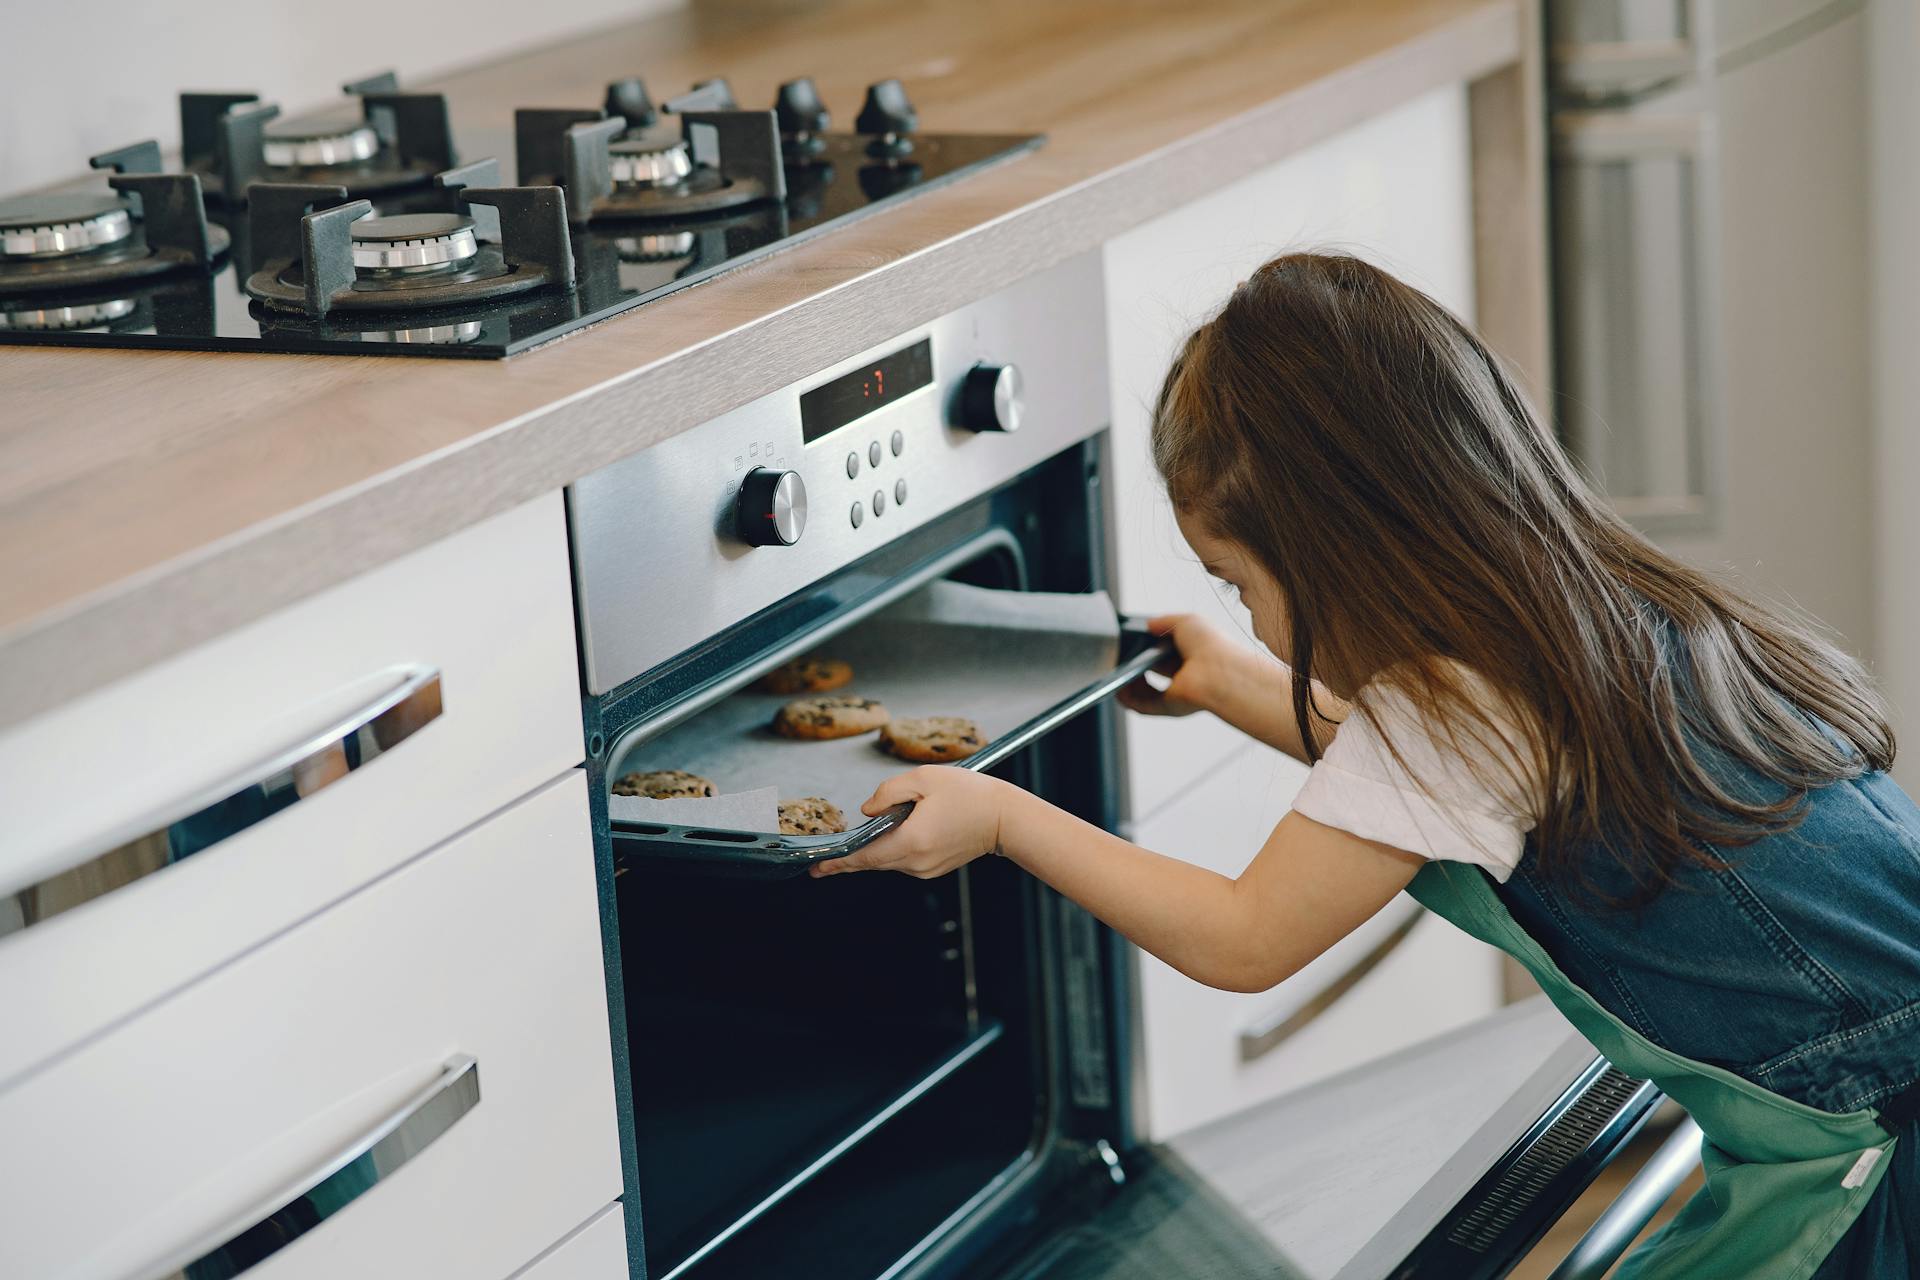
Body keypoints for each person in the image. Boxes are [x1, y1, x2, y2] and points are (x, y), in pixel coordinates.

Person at [813, 253, 1919, 1278]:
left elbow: (1245, 938)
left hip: (1867, 1141)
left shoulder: (1453, 708)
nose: (1244, 614)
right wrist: (1232, 683)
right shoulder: (1584, 613)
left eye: (1239, 582)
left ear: (1342, 548)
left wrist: (1003, 817)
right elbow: (1422, 794)